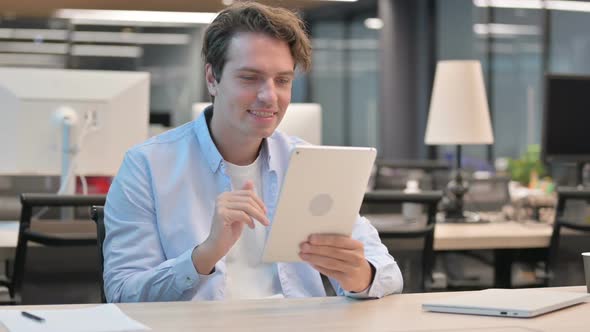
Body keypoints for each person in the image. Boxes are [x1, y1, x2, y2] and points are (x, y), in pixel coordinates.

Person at [103, 2, 403, 302]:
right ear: (212, 78)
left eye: (282, 80)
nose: (269, 96)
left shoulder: (310, 164)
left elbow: (389, 275)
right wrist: (204, 255)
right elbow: (122, 294)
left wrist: (358, 276)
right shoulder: (147, 166)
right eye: (250, 78)